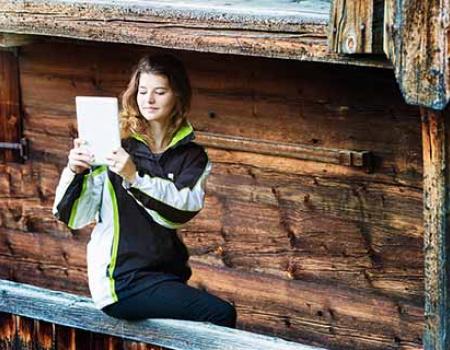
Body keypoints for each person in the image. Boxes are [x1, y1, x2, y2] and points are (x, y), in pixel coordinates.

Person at [52, 54, 236, 328]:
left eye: (159, 92)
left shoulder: (192, 157)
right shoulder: (115, 144)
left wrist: (134, 178)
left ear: (178, 96)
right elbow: (73, 217)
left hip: (165, 275)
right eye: (143, 91)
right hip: (120, 279)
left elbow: (179, 211)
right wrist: (76, 171)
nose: (148, 99)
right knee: (220, 314)